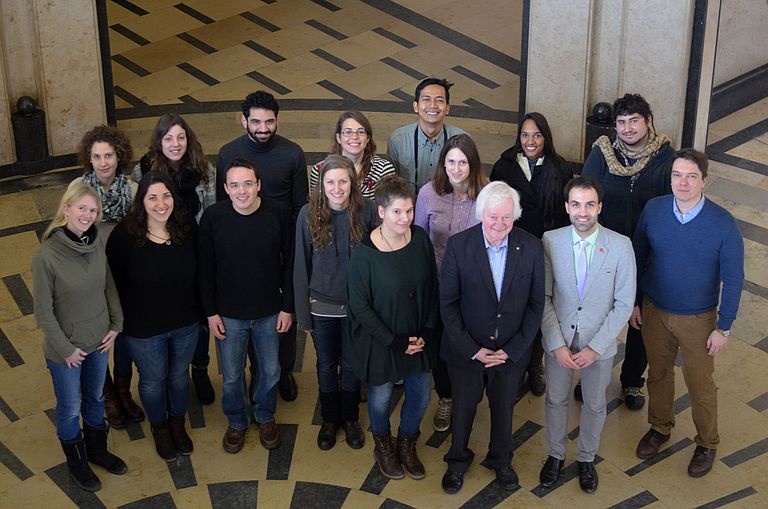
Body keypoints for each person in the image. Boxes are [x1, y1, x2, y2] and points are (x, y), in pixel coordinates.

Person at [633, 149, 744, 478]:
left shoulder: (723, 223)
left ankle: (707, 442)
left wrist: (723, 328)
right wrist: (635, 302)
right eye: (677, 175)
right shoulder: (654, 210)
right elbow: (638, 258)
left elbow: (734, 279)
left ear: (704, 181)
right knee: (658, 374)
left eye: (691, 176)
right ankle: (660, 427)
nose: (683, 182)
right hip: (654, 310)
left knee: (700, 384)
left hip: (698, 319)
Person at [439, 181, 544, 495]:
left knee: (504, 409)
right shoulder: (458, 246)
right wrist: (474, 350)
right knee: (463, 408)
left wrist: (511, 350)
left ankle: (501, 461)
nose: (500, 224)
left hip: (510, 352)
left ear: (516, 216)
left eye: (507, 218)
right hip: (467, 351)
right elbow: (448, 305)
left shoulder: (532, 246)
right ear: (481, 213)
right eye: (493, 216)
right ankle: (457, 461)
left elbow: (536, 305)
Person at [538, 176, 636, 494]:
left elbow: (623, 304)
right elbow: (544, 298)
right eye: (576, 204)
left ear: (600, 207)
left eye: (590, 205)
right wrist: (555, 343)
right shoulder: (550, 241)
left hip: (599, 344)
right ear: (567, 207)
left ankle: (586, 458)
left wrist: (595, 348)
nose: (583, 212)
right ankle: (555, 454)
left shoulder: (621, 246)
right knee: (555, 400)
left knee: (595, 404)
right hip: (560, 342)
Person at [581, 93, 674, 410]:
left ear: (648, 122)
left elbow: (670, 207)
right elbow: (586, 197)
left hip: (648, 255)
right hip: (606, 252)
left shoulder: (665, 158)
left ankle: (633, 382)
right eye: (621, 122)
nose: (627, 128)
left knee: (640, 320)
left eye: (634, 121)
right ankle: (591, 373)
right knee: (596, 315)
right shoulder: (602, 154)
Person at [32, 183, 127, 492]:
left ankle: (97, 450)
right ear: (67, 209)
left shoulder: (95, 241)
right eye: (82, 208)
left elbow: (107, 283)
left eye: (93, 210)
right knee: (70, 408)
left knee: (96, 399)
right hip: (67, 352)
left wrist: (116, 323)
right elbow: (43, 313)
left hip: (99, 342)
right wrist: (66, 350)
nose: (88, 215)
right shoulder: (46, 256)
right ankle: (77, 461)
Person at [216, 90, 308, 401]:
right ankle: (260, 370)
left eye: (269, 121)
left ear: (277, 120)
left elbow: (299, 206)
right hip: (243, 244)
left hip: (281, 242)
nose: (263, 128)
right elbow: (222, 203)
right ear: (244, 121)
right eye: (256, 121)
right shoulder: (228, 153)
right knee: (252, 314)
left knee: (283, 316)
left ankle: (281, 372)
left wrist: (291, 249)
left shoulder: (293, 153)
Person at [199, 159, 294, 454]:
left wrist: (288, 307)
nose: (242, 191)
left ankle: (264, 415)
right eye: (235, 185)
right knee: (231, 375)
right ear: (226, 188)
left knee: (271, 370)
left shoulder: (278, 213)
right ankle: (237, 420)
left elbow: (291, 263)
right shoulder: (213, 218)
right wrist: (210, 312)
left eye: (248, 184)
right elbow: (204, 268)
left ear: (259, 185)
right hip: (228, 314)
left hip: (269, 311)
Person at [347, 175, 438, 480]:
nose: (405, 218)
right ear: (381, 211)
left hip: (419, 338)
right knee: (381, 397)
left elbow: (430, 287)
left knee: (421, 395)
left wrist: (424, 332)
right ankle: (383, 444)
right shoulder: (364, 255)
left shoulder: (421, 239)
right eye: (398, 211)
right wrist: (395, 341)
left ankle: (407, 444)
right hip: (384, 341)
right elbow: (360, 306)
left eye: (410, 211)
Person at [106, 172, 200, 462]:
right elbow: (112, 284)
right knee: (153, 380)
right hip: (143, 329)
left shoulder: (187, 228)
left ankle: (177, 423)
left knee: (178, 377)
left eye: (166, 196)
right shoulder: (124, 236)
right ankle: (160, 428)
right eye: (152, 197)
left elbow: (202, 273)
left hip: (185, 323)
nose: (161, 203)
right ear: (141, 201)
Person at [294, 155, 378, 450]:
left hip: (358, 309)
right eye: (330, 182)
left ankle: (351, 417)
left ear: (352, 183)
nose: (337, 188)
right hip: (322, 308)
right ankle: (330, 419)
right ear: (321, 185)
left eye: (343, 181)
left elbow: (378, 263)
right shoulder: (308, 215)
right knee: (326, 365)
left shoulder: (367, 212)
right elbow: (301, 267)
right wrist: (304, 316)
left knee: (352, 364)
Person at [133, 113, 216, 406]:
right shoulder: (142, 171)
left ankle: (201, 368)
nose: (175, 143)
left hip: (194, 251)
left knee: (199, 313)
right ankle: (171, 371)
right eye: (168, 137)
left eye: (181, 137)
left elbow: (211, 214)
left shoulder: (205, 171)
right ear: (159, 141)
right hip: (159, 250)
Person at [490, 112, 574, 397]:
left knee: (540, 306)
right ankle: (515, 362)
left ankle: (535, 363)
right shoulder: (504, 167)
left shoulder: (559, 168)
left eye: (537, 135)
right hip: (512, 248)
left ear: (545, 138)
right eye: (525, 134)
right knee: (513, 307)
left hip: (546, 250)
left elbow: (564, 216)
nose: (530, 141)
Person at [414, 133, 487, 432]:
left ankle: (467, 397)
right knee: (441, 345)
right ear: (443, 163)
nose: (456, 168)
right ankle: (446, 397)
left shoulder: (487, 195)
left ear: (473, 164)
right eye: (451, 162)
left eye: (463, 162)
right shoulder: (428, 193)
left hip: (473, 288)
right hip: (437, 285)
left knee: (469, 343)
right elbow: (418, 239)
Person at [74, 126, 144, 429]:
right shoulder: (78, 188)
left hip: (124, 272)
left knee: (124, 334)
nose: (103, 162)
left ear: (119, 156)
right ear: (89, 159)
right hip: (90, 275)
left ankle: (123, 389)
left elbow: (141, 230)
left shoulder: (131, 189)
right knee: (96, 337)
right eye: (96, 156)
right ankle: (107, 396)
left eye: (109, 156)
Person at [387, 78, 467, 193]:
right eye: (426, 99)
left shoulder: (462, 140)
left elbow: (468, 182)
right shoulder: (398, 140)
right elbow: (391, 183)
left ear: (447, 108)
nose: (433, 105)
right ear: (415, 106)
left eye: (439, 100)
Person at [309, 111, 395, 200]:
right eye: (348, 132)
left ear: (368, 138)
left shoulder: (384, 169)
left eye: (361, 132)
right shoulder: (319, 170)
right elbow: (317, 206)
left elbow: (388, 207)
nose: (354, 137)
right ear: (339, 138)